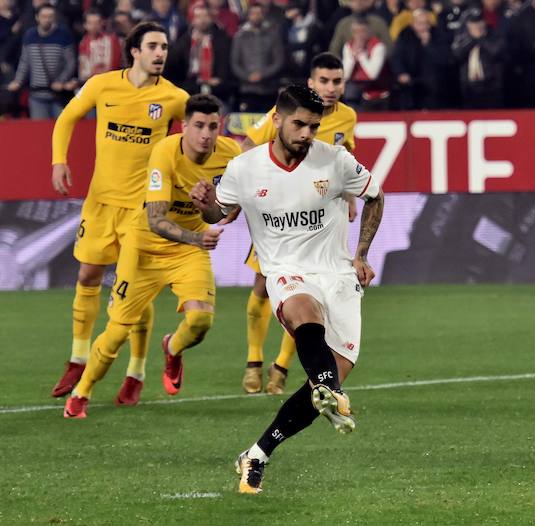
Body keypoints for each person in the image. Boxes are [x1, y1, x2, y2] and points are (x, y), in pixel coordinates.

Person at [189, 85, 384, 494]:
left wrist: (362, 254)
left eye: (314, 126)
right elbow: (219, 212)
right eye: (299, 124)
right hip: (285, 272)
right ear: (277, 119)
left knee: (332, 373)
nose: (307, 133)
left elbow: (375, 195)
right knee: (302, 314)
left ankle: (256, 455)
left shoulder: (335, 161)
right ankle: (328, 387)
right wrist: (203, 203)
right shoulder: (245, 168)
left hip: (337, 274)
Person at [63, 94, 240, 418]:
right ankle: (81, 392)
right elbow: (155, 219)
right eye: (199, 125)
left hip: (188, 250)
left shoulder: (231, 156)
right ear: (184, 126)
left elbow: (225, 213)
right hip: (144, 245)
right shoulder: (165, 152)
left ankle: (172, 348)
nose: (206, 134)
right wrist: (197, 236)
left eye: (213, 126)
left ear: (220, 127)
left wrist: (210, 207)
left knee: (201, 320)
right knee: (117, 331)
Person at [49, 22, 189, 404]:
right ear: (135, 51)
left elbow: (197, 137)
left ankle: (136, 372)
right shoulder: (101, 85)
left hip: (144, 211)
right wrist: (58, 161)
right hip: (101, 202)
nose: (161, 53)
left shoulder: (175, 98)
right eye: (154, 46)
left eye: (164, 46)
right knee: (88, 273)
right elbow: (66, 118)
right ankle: (78, 357)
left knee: (133, 293)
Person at [240, 52, 358, 396]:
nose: (330, 88)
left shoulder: (348, 117)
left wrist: (350, 195)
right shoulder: (289, 112)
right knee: (263, 286)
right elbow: (248, 144)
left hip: (320, 224)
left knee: (310, 296)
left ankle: (280, 368)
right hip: (280, 217)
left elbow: (346, 155)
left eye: (337, 81)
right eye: (324, 81)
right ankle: (253, 360)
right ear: (311, 83)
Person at [6, 4, 77, 119]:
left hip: (58, 95)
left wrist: (61, 81)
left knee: (58, 130)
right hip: (36, 95)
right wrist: (18, 80)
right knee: (40, 131)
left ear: (55, 18)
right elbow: (25, 62)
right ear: (37, 17)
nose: (47, 19)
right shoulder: (30, 36)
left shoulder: (64, 35)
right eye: (44, 16)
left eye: (50, 16)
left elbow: (71, 62)